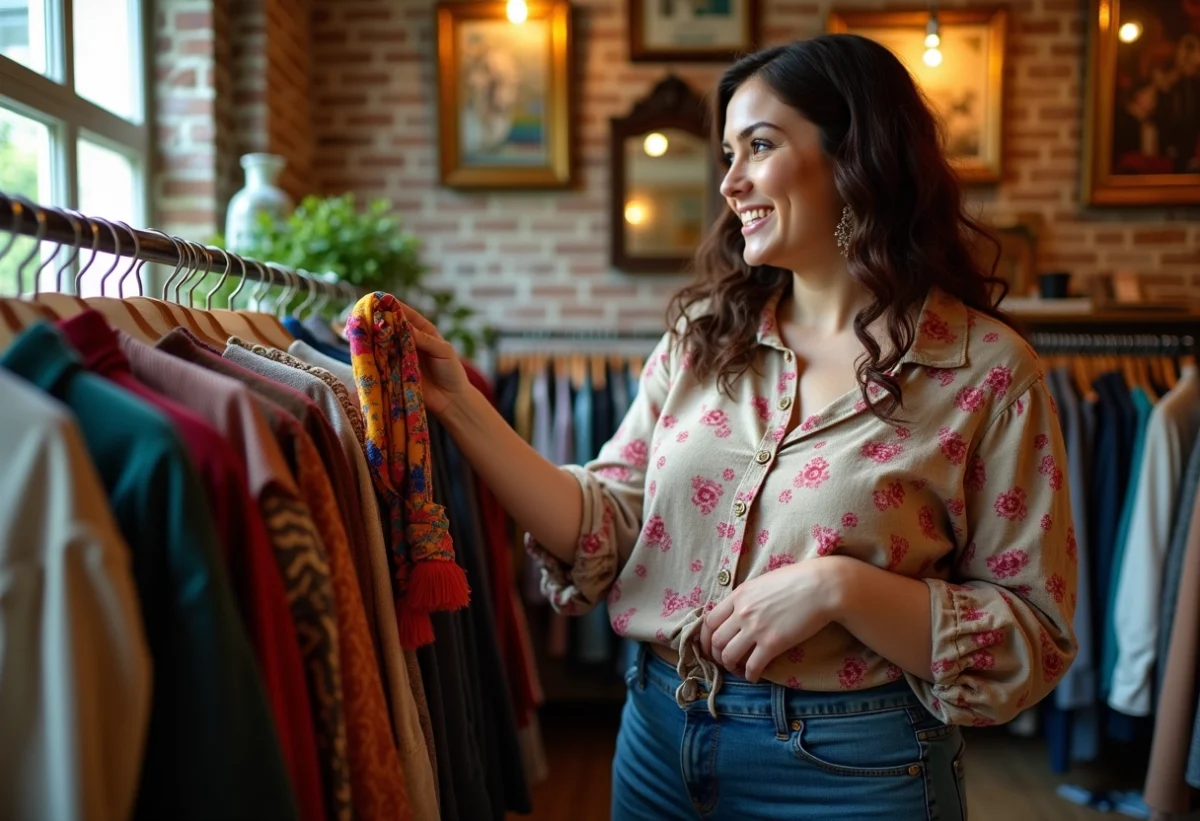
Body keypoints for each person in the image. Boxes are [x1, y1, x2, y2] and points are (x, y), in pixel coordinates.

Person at [402, 34, 1078, 821]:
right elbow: (607, 521)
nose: (730, 182)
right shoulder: (701, 335)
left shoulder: (987, 372)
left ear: (857, 153)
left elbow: (1034, 629)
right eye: (726, 153)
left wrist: (842, 587)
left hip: (854, 772)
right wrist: (456, 401)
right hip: (656, 739)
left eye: (759, 145)